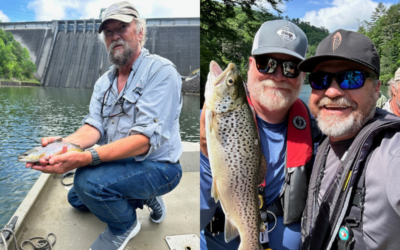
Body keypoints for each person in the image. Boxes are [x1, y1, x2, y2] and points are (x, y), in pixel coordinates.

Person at [25, 2, 183, 250]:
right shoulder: (103, 82)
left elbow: (143, 141)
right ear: (104, 39)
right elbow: (93, 128)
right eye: (108, 31)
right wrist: (61, 146)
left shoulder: (161, 72)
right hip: (123, 163)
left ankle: (125, 226)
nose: (115, 35)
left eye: (122, 27)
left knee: (88, 182)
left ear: (140, 31)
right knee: (77, 198)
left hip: (159, 166)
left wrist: (87, 158)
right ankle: (144, 195)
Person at [200, 20, 322, 250]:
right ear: (250, 65)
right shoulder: (206, 123)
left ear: (302, 76)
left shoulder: (317, 133)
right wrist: (206, 154)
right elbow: (194, 217)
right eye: (267, 63)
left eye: (291, 67)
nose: (278, 75)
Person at [299, 29, 400, 250]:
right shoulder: (325, 143)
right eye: (320, 79)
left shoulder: (393, 154)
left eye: (351, 78)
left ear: (376, 89)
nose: (332, 91)